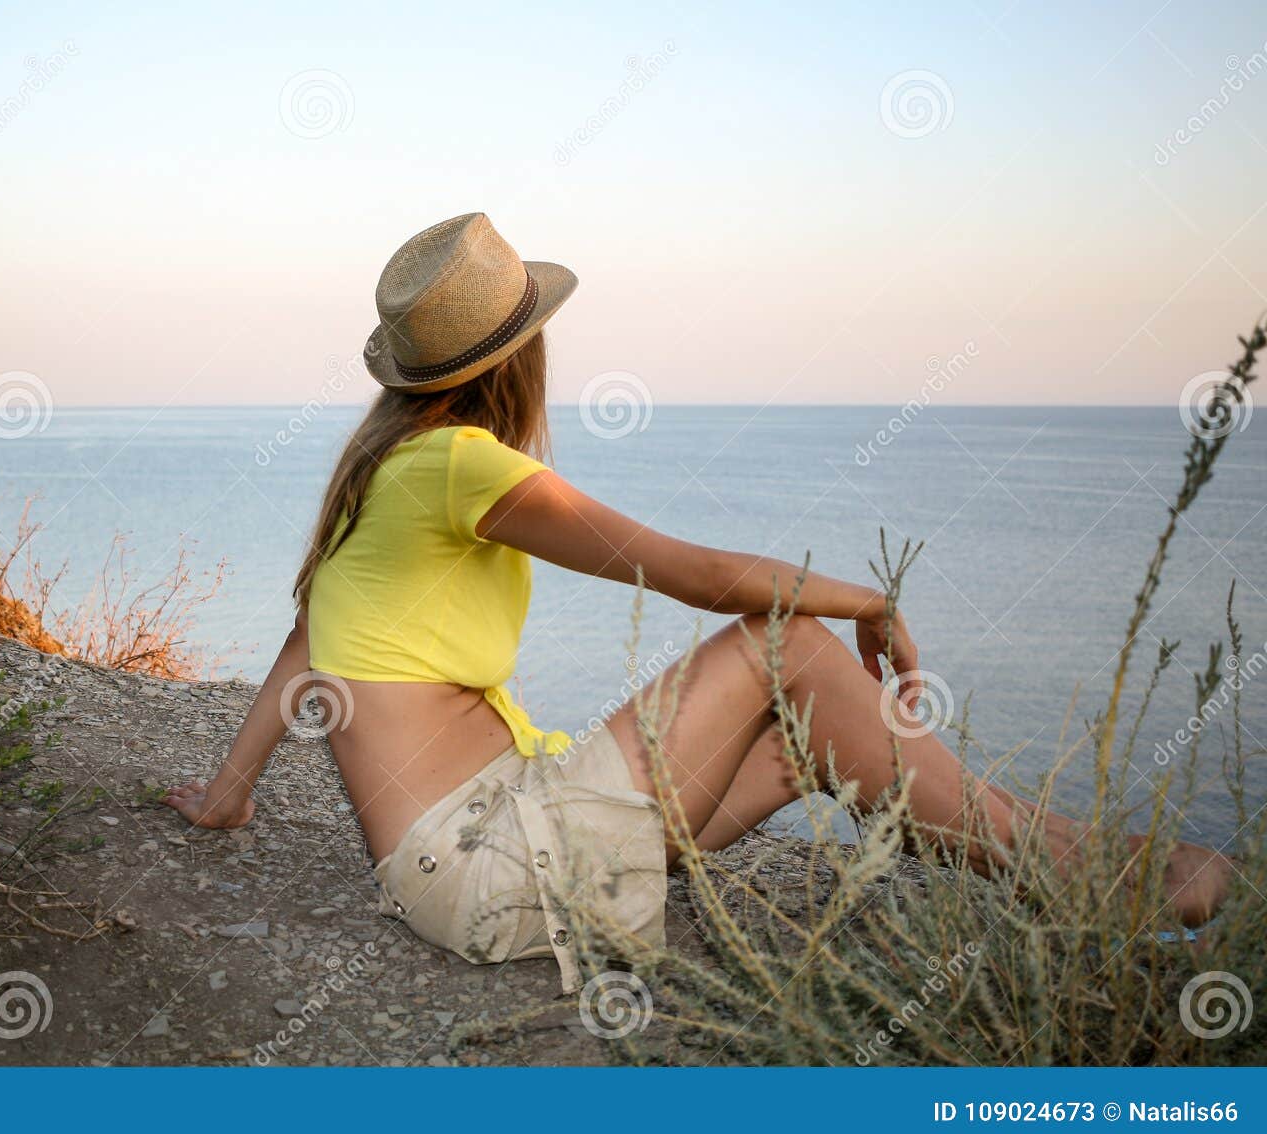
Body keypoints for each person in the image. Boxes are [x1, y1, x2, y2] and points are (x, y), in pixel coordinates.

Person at [164, 213, 1231, 989]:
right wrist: (869, 598)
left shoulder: (380, 473)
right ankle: (1095, 878)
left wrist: (230, 790)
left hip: (467, 863)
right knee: (789, 646)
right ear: (518, 353)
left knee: (812, 743)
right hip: (488, 860)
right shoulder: (458, 464)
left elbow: (306, 640)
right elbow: (679, 569)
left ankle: (1088, 882)